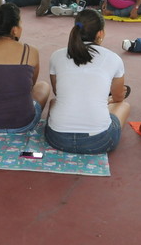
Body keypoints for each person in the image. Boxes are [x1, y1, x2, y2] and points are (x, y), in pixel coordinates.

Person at [45, 10, 130, 154]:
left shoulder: (56, 55)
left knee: (54, 102)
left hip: (57, 139)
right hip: (99, 141)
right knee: (124, 105)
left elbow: (57, 92)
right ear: (100, 34)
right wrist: (108, 99)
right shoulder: (114, 58)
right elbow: (118, 97)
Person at [0, 3, 51, 132]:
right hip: (24, 124)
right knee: (43, 86)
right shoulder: (31, 51)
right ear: (14, 29)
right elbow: (31, 85)